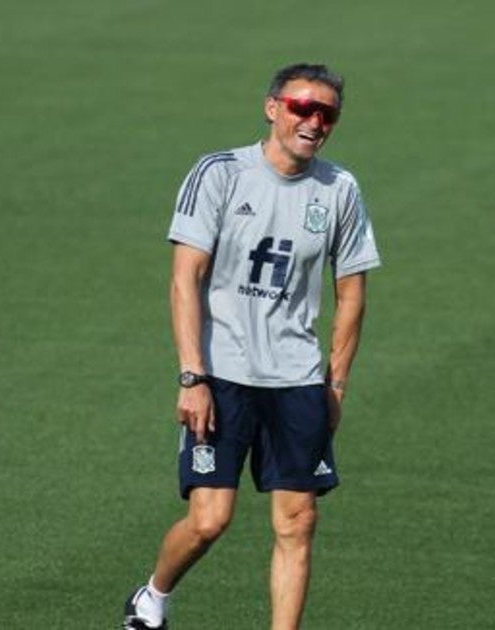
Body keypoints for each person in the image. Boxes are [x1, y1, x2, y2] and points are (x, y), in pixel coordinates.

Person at [123, 63, 381, 630]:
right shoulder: (220, 173)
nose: (314, 122)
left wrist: (335, 384)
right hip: (222, 375)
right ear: (272, 108)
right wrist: (192, 376)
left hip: (297, 379)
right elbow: (184, 278)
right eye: (302, 108)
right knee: (209, 520)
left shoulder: (340, 189)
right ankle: (152, 597)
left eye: (327, 114)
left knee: (298, 521)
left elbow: (352, 294)